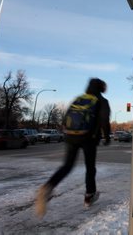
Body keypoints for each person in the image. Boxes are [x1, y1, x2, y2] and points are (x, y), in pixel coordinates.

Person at [35, 78, 111, 218]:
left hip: (70, 137)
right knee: (90, 167)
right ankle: (89, 195)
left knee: (67, 166)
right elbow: (104, 120)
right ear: (101, 88)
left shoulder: (79, 99)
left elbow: (65, 119)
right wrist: (106, 137)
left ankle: (47, 187)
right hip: (89, 138)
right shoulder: (102, 101)